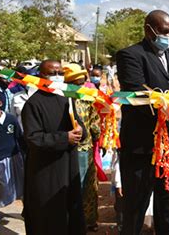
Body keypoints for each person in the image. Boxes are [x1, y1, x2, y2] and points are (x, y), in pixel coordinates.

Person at [116, 10, 169, 235]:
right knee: (136, 207)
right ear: (149, 30)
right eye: (164, 32)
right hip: (141, 145)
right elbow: (138, 93)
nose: (168, 37)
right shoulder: (130, 55)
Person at [22, 60, 86, 235]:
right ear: (41, 76)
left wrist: (81, 131)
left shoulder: (66, 98)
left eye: (60, 73)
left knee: (70, 212)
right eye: (53, 73)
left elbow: (79, 125)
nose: (57, 76)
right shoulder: (33, 104)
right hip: (46, 171)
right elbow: (33, 138)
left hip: (68, 166)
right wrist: (64, 138)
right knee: (49, 216)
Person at [63, 63, 102, 232]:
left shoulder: (62, 97)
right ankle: (85, 222)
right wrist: (98, 137)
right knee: (85, 186)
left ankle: (80, 221)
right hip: (81, 148)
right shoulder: (86, 98)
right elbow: (95, 125)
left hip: (73, 147)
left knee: (82, 185)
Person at [0, 93, 24, 224]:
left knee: (19, 184)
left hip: (14, 158)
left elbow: (20, 138)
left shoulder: (11, 119)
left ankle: (27, 208)